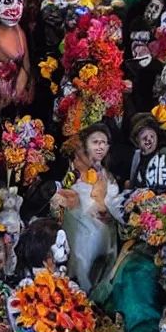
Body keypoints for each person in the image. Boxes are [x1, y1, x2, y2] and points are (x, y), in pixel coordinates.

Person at [62, 123, 124, 292]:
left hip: (105, 230)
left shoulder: (107, 173)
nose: (100, 146)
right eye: (95, 142)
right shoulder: (74, 174)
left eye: (103, 142)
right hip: (83, 231)